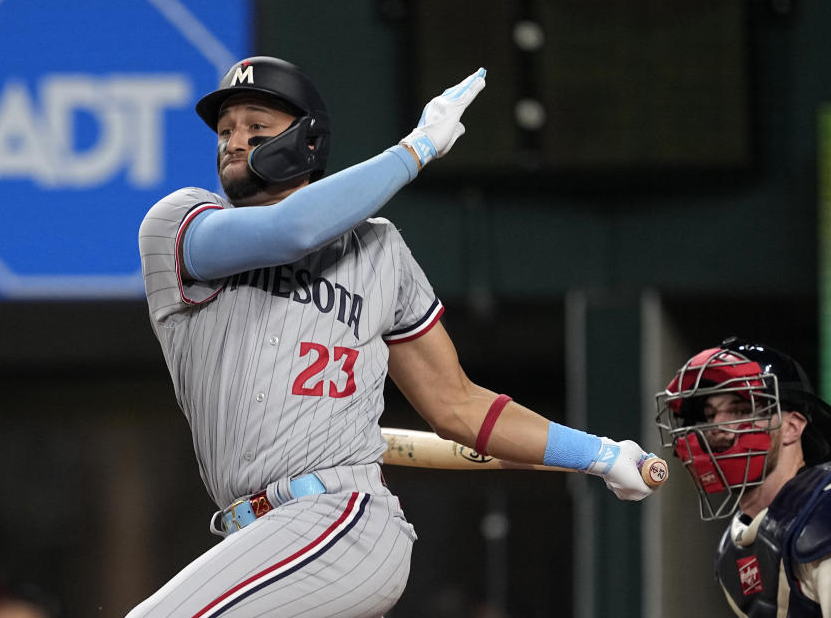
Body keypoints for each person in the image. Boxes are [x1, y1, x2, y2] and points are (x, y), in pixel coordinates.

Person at [133, 55, 659, 617]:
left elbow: (458, 406)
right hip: (256, 539)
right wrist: (415, 150)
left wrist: (600, 455)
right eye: (225, 130)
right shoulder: (179, 223)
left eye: (256, 127)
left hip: (343, 520)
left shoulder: (379, 250)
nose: (234, 141)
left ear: (308, 142)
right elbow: (293, 229)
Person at [655, 336, 831, 617]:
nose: (717, 428)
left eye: (740, 411)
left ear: (793, 427)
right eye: (709, 415)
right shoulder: (736, 548)